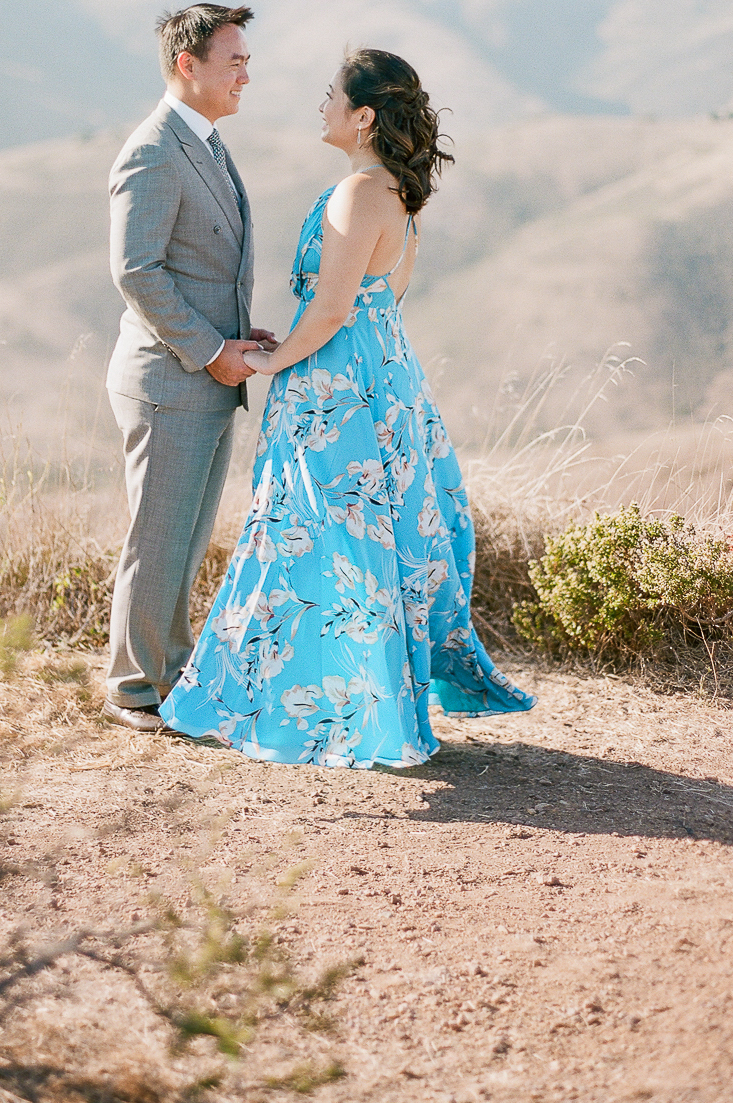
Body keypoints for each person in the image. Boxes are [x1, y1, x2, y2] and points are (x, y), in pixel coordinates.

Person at [161, 48, 535, 766]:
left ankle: (281, 703)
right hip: (380, 379)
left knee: (309, 534)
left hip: (337, 391)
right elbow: (381, 301)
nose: (321, 104)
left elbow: (332, 309)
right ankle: (354, 703)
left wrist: (274, 358)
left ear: (362, 116)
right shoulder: (393, 192)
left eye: (330, 94)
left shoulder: (361, 193)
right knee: (357, 542)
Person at [103, 3, 277, 732]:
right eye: (233, 59)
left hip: (207, 376)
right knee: (158, 538)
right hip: (171, 380)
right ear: (188, 65)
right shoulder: (152, 149)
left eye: (245, 58)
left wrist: (237, 335)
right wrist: (210, 350)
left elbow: (198, 263)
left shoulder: (203, 142)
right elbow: (137, 271)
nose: (246, 72)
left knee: (183, 538)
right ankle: (134, 690)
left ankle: (170, 675)